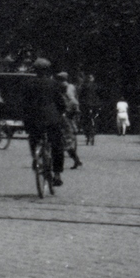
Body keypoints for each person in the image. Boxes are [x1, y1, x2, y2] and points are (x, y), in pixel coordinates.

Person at [20, 59, 66, 188]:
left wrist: (25, 118)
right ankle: (57, 174)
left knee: (33, 138)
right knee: (57, 144)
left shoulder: (28, 84)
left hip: (34, 118)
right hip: (51, 118)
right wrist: (61, 112)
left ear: (35, 70)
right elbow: (60, 102)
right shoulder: (53, 84)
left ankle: (36, 159)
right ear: (47, 70)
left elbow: (24, 103)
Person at [56, 71, 82, 168]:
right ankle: (76, 160)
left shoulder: (62, 89)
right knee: (67, 140)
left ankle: (76, 160)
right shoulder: (71, 86)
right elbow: (75, 99)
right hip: (68, 114)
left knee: (63, 139)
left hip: (64, 115)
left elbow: (71, 100)